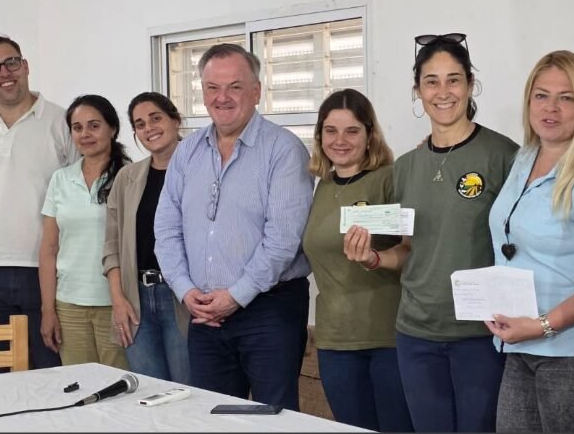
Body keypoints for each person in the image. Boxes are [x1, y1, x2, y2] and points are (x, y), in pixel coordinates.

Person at [345, 33, 519, 432]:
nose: (443, 92)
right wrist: (372, 257)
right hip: (416, 335)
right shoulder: (406, 167)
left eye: (454, 79)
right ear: (417, 90)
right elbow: (408, 249)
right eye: (432, 81)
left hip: (482, 335)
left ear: (470, 85)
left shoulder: (504, 155)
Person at [154, 43, 313, 411]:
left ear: (256, 91)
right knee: (213, 417)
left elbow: (283, 239)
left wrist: (235, 296)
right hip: (203, 312)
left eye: (235, 87)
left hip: (269, 309)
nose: (222, 97)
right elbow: (166, 228)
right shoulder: (188, 151)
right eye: (212, 88)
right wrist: (185, 290)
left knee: (273, 418)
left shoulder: (284, 150)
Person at [484, 50, 574, 432]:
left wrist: (543, 325)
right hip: (518, 346)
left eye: (566, 97)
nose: (550, 108)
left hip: (570, 353)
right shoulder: (525, 156)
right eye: (541, 95)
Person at [0, 35, 77, 370]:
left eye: (11, 62)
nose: (4, 72)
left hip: (46, 269)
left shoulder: (62, 121)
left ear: (25, 66)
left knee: (51, 374)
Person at [301, 88, 413, 432]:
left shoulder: (391, 179)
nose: (340, 140)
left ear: (369, 135)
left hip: (388, 338)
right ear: (320, 137)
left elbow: (414, 252)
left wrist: (374, 258)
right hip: (334, 339)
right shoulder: (321, 187)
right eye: (331, 131)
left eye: (352, 131)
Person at [103, 92, 191, 383]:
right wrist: (118, 299)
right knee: (149, 392)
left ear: (175, 120)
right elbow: (112, 246)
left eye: (156, 118)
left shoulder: (200, 169)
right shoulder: (127, 178)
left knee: (189, 392)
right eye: (140, 124)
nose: (149, 128)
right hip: (136, 301)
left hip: (182, 299)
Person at [39, 94, 130, 369]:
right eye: (77, 128)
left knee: (121, 389)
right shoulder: (60, 179)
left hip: (117, 304)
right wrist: (48, 310)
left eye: (94, 125)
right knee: (79, 387)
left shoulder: (130, 176)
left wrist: (121, 303)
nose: (85, 134)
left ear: (112, 128)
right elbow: (49, 250)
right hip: (68, 305)